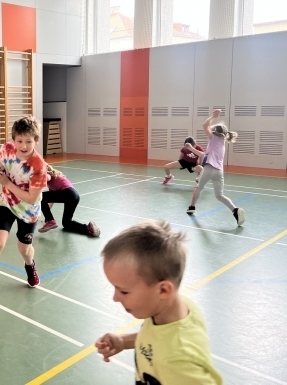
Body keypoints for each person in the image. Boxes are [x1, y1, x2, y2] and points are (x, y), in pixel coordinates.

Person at [95, 221, 223, 385]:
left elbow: (171, 348)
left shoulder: (179, 361)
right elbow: (160, 338)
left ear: (163, 290)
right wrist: (123, 341)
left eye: (124, 292)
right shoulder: (175, 309)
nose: (115, 298)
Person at [0, 116, 47, 296]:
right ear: (13, 139)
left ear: (36, 141)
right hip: (7, 203)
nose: (23, 146)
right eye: (19, 141)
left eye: (28, 141)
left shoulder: (38, 167)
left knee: (24, 249)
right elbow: (2, 165)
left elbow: (31, 198)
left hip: (28, 211)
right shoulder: (6, 149)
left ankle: (30, 265)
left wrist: (6, 183)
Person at [185, 109, 244, 225]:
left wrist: (213, 116)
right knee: (219, 195)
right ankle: (235, 210)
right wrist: (191, 149)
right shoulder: (221, 143)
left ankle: (192, 207)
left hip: (209, 169)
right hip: (219, 172)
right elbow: (204, 155)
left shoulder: (214, 138)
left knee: (199, 188)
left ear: (215, 131)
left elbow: (204, 125)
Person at [38, 165, 101, 237]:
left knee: (39, 196)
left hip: (68, 193)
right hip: (74, 196)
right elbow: (51, 200)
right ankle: (88, 228)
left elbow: (47, 178)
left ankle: (50, 221)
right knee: (66, 223)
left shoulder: (48, 174)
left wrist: (49, 219)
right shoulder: (54, 180)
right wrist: (46, 215)